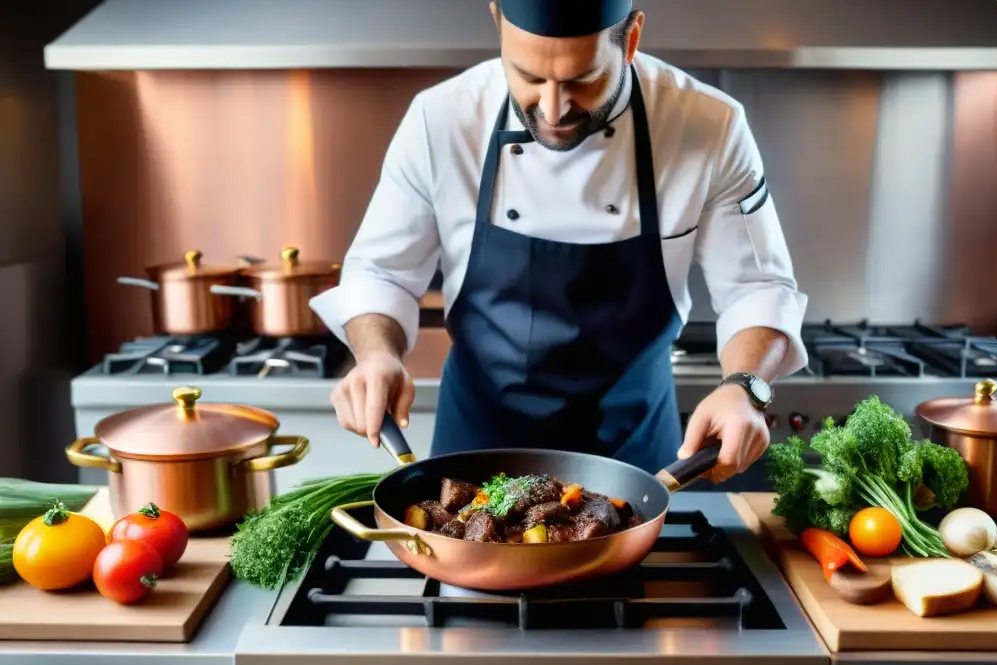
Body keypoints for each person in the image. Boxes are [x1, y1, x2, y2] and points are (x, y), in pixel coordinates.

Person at [310, 0, 808, 483]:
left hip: (638, 458)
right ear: (497, 23)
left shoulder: (708, 125)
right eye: (527, 77)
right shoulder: (440, 119)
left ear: (630, 39)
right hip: (474, 455)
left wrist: (745, 386)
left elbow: (757, 287)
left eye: (581, 81)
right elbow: (381, 272)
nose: (552, 109)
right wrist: (377, 355)